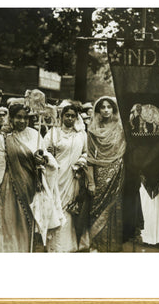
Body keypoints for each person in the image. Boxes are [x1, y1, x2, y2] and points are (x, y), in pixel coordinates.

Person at [0, 104, 61, 252]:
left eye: (25, 118)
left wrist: (43, 160)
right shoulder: (3, 137)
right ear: (12, 118)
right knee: (11, 222)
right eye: (18, 117)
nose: (22, 121)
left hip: (32, 184)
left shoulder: (35, 135)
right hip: (11, 185)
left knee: (30, 222)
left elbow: (46, 156)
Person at [84, 96, 126, 252]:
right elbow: (89, 157)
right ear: (98, 110)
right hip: (99, 173)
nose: (106, 110)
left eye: (109, 107)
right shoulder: (92, 130)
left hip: (117, 171)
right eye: (103, 107)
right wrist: (91, 181)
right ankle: (96, 244)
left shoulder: (121, 128)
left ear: (114, 110)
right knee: (97, 207)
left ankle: (112, 246)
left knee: (114, 207)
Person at [44, 104, 88, 252]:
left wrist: (80, 163)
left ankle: (68, 246)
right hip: (55, 175)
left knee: (69, 209)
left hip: (73, 176)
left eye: (72, 116)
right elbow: (42, 153)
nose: (69, 118)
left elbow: (87, 152)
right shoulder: (52, 133)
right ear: (62, 116)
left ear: (76, 118)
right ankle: (54, 246)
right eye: (67, 115)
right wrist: (49, 154)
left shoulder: (81, 134)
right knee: (56, 207)